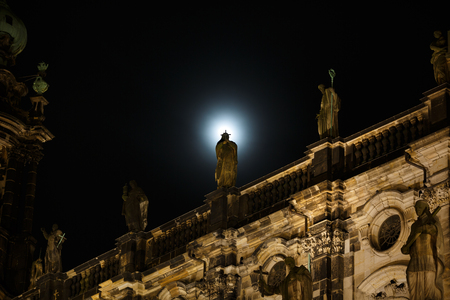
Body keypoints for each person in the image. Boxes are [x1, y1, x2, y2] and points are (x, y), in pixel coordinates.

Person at [401, 200, 444, 300]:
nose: (417, 210)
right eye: (416, 208)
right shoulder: (414, 226)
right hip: (415, 258)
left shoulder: (432, 219)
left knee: (429, 283)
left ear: (425, 208)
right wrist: (406, 248)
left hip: (428, 257)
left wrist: (426, 227)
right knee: (411, 275)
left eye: (419, 208)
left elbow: (436, 231)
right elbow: (411, 240)